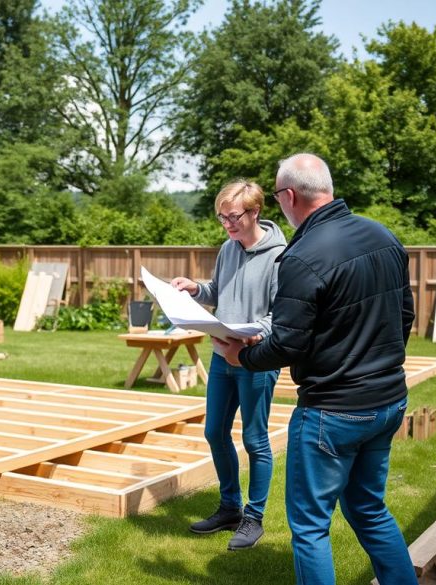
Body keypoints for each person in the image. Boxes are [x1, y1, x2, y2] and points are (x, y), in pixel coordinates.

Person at [215, 154, 416, 584]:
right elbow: (404, 318)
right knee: (370, 510)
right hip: (388, 402)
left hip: (332, 411)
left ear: (288, 197)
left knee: (309, 528)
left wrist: (241, 357)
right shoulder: (383, 235)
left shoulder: (301, 256)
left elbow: (287, 344)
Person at [170, 179, 286, 551]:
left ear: (255, 212)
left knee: (254, 439)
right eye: (222, 218)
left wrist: (252, 337)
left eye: (233, 217)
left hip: (256, 359)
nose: (227, 225)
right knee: (214, 433)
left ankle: (254, 517)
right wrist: (195, 289)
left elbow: (279, 315)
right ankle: (230, 508)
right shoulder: (228, 248)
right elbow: (218, 291)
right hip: (222, 356)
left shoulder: (280, 256)